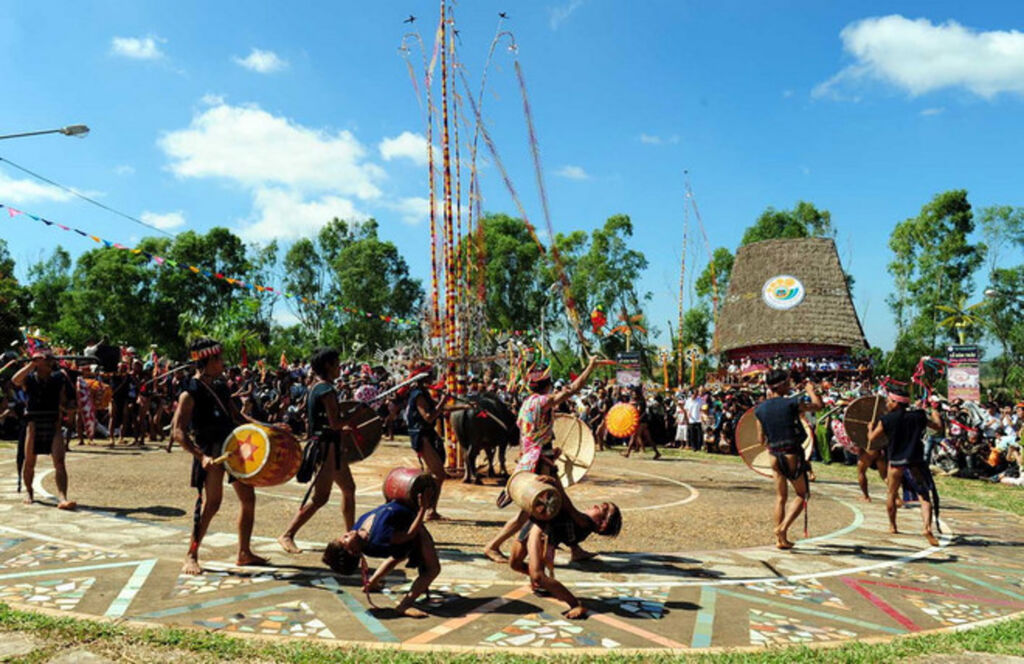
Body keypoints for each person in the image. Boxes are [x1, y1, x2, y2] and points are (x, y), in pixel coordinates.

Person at [483, 356, 600, 563]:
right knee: (536, 511)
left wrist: (549, 450)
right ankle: (494, 546)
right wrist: (591, 366)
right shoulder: (542, 401)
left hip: (536, 458)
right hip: (538, 462)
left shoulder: (526, 404)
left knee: (558, 504)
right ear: (547, 385)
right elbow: (573, 389)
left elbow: (530, 436)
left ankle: (574, 548)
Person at [172, 338, 269, 575]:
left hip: (233, 448)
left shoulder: (221, 386)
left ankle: (244, 552)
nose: (223, 363)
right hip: (212, 451)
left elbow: (238, 417)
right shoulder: (190, 392)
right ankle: (191, 555)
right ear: (207, 361)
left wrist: (268, 428)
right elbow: (178, 432)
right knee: (212, 504)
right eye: (219, 359)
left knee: (248, 498)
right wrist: (201, 456)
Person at [508, 475, 621, 619]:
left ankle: (575, 604)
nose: (594, 506)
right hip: (537, 521)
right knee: (515, 563)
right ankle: (545, 584)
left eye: (600, 509)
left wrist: (557, 483)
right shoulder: (581, 520)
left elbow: (568, 506)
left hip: (542, 530)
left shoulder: (586, 523)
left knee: (537, 575)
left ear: (602, 525)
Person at [278, 347, 357, 554]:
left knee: (349, 489)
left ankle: (351, 534)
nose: (340, 367)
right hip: (326, 448)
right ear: (328, 366)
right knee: (320, 497)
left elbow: (326, 422)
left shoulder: (316, 387)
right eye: (337, 364)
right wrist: (355, 414)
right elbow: (335, 422)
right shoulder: (326, 390)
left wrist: (341, 426)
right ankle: (287, 534)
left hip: (330, 446)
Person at [323, 485, 440, 618]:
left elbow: (384, 511)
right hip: (413, 529)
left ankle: (372, 583)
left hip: (400, 524)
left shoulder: (358, 529)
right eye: (345, 539)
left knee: (398, 555)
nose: (346, 534)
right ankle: (405, 605)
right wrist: (423, 508)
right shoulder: (379, 537)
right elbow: (409, 534)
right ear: (353, 551)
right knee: (432, 569)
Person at [753, 370, 823, 550]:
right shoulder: (792, 403)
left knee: (780, 497)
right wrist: (810, 390)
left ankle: (781, 540)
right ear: (782, 385)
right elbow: (818, 406)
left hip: (773, 455)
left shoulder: (760, 409)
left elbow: (761, 440)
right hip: (791, 452)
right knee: (802, 494)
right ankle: (782, 529)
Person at [868, 383, 944, 546]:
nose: (887, 404)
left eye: (889, 401)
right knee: (924, 497)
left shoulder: (886, 420)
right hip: (915, 461)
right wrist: (935, 412)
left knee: (891, 493)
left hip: (896, 462)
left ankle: (892, 526)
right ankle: (926, 528)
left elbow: (872, 439)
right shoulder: (918, 416)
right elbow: (937, 427)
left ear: (896, 403)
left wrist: (869, 428)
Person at [11, 350, 75, 509]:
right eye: (45, 360)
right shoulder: (29, 378)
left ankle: (62, 497)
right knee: (29, 462)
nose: (49, 363)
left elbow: (68, 400)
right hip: (33, 424)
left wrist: (69, 410)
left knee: (59, 462)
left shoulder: (59, 377)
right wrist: (31, 364)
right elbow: (15, 380)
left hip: (53, 422)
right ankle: (29, 491)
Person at [404, 363, 467, 521]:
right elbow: (429, 417)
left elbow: (439, 409)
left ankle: (428, 509)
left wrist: (464, 407)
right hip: (421, 435)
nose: (433, 377)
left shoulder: (423, 392)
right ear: (424, 377)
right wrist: (443, 400)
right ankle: (429, 510)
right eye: (431, 374)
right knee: (438, 474)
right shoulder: (418, 394)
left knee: (432, 475)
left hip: (427, 434)